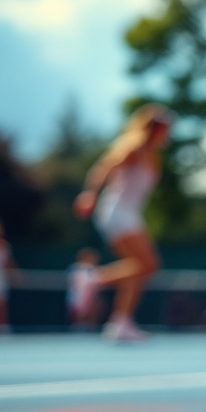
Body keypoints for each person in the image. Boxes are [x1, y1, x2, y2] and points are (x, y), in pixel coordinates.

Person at [73, 104, 172, 342]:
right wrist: (90, 194)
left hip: (129, 214)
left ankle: (120, 323)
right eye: (164, 129)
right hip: (117, 212)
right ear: (155, 129)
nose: (167, 134)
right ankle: (93, 280)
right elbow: (104, 168)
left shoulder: (153, 157)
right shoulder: (133, 148)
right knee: (148, 265)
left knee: (137, 269)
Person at [66, 248, 104, 330]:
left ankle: (86, 328)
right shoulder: (85, 270)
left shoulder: (76, 270)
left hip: (79, 302)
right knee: (80, 321)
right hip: (80, 301)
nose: (96, 260)